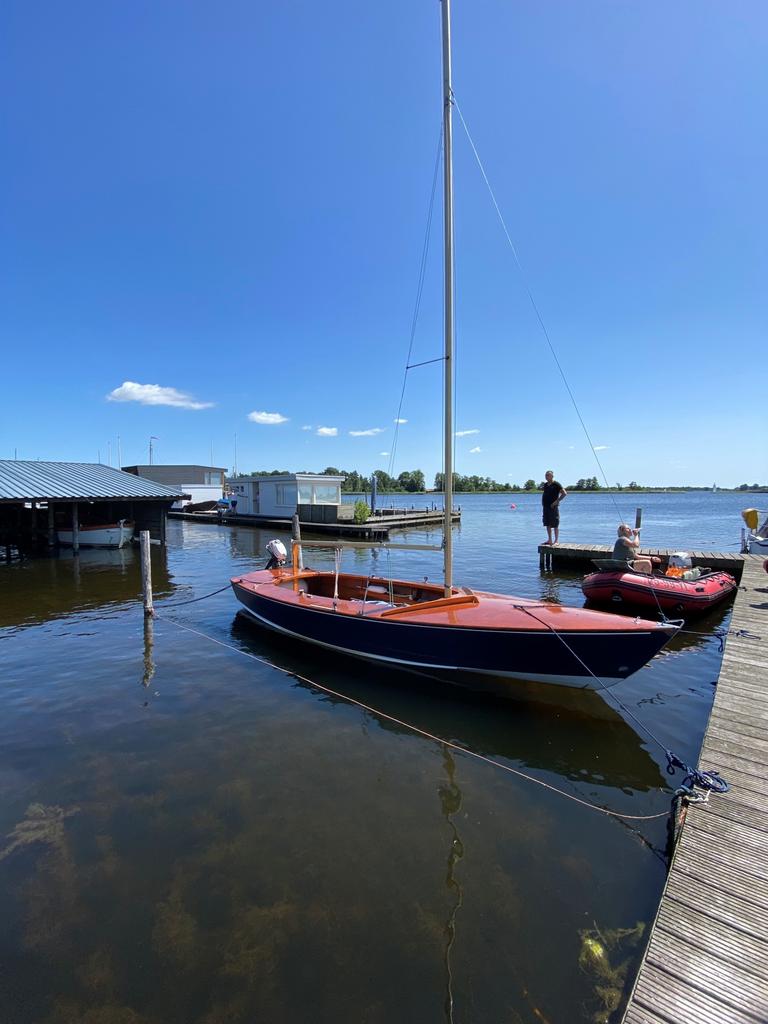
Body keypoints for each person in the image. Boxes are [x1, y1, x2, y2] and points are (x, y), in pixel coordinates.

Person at [541, 470, 567, 544]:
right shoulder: (545, 485)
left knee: (555, 524)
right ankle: (550, 540)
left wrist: (556, 501)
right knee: (547, 523)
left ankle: (556, 541)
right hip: (545, 507)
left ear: (552, 476)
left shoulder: (556, 484)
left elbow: (564, 493)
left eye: (548, 475)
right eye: (546, 475)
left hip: (553, 507)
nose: (546, 476)